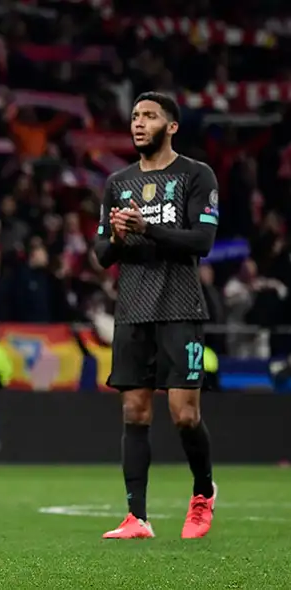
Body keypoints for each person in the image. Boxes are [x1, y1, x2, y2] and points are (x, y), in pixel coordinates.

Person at [94, 92, 219, 540]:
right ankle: (136, 517)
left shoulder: (195, 175)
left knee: (184, 414)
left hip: (181, 305)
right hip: (133, 309)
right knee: (135, 409)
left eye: (149, 116)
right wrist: (118, 232)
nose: (139, 123)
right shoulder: (117, 182)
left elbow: (201, 241)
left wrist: (146, 227)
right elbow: (102, 253)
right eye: (134, 116)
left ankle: (203, 493)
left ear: (172, 126)